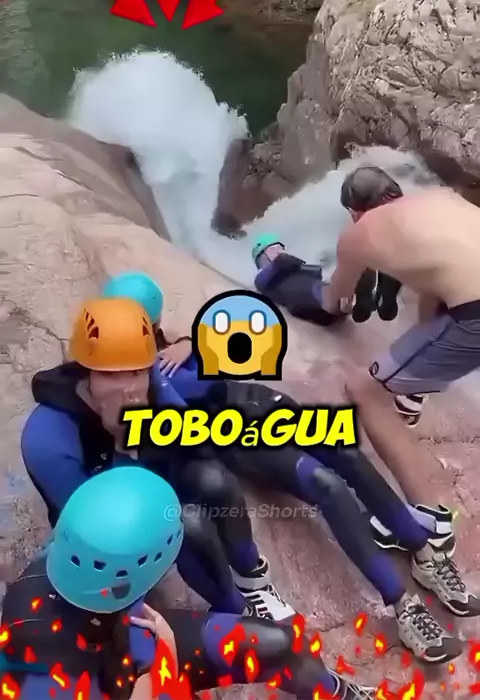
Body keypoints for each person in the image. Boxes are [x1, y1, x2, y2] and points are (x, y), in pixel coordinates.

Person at [99, 275, 478, 663]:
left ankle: (423, 552)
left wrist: (189, 342)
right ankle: (403, 604)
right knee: (327, 485)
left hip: (256, 401)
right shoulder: (136, 384)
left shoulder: (168, 348)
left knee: (346, 454)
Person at [21, 296, 293, 621]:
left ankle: (253, 579)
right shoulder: (47, 440)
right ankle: (235, 609)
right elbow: (96, 526)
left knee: (215, 480)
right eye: (110, 375)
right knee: (188, 524)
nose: (127, 387)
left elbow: (193, 438)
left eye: (136, 372)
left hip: (146, 473)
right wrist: (122, 443)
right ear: (87, 371)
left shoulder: (150, 383)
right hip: (101, 521)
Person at [0, 467, 379, 700]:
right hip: (111, 675)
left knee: (280, 645)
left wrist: (160, 648)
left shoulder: (76, 559)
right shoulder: (40, 678)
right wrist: (157, 666)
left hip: (131, 638)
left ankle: (336, 693)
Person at [322, 166, 480, 531]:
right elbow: (437, 290)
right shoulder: (442, 199)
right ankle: (412, 391)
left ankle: (430, 524)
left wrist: (332, 300)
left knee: (365, 391)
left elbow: (335, 301)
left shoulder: (359, 233)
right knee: (431, 316)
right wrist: (415, 371)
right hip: (468, 301)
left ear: (355, 210)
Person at [252, 233, 402, 326]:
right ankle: (357, 301)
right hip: (304, 300)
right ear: (261, 257)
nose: (279, 251)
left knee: (335, 282)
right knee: (326, 289)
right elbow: (283, 262)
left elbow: (314, 272)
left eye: (280, 248)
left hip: (318, 298)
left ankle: (367, 300)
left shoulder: (292, 266)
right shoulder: (262, 276)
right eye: (273, 249)